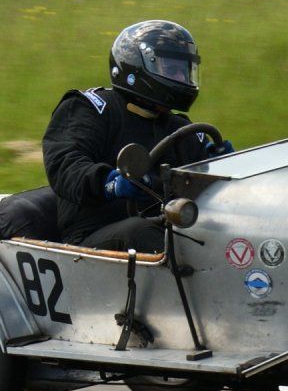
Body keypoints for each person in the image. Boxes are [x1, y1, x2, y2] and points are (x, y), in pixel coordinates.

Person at [35, 20, 230, 252]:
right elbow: (64, 165)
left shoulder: (182, 129)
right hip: (91, 239)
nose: (181, 78)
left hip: (168, 224)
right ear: (136, 66)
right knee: (143, 233)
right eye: (172, 69)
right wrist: (110, 182)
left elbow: (201, 192)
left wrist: (218, 167)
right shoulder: (91, 109)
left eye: (184, 70)